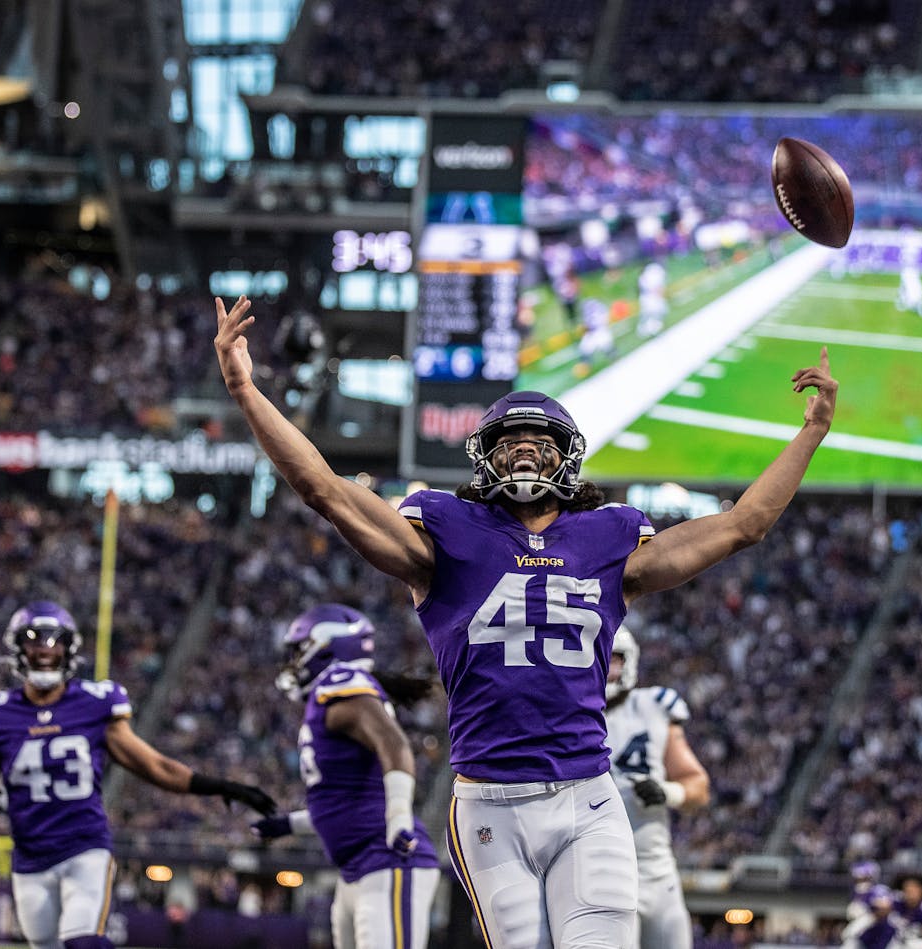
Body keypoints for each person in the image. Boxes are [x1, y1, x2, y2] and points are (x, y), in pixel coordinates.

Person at [213, 293, 838, 949]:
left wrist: (811, 431)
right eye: (510, 443)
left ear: (567, 459)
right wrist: (246, 390)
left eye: (541, 443)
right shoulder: (446, 532)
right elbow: (326, 490)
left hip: (588, 795)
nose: (525, 454)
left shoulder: (606, 537)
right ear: (484, 457)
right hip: (489, 803)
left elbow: (744, 524)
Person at [0, 600, 276, 949]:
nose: (44, 651)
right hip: (29, 856)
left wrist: (221, 785)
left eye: (54, 641)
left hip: (85, 847)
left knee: (83, 942)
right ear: (18, 649)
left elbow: (155, 766)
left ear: (69, 648)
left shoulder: (94, 703)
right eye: (34, 641)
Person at [249, 603, 441, 949]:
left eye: (299, 650)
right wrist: (291, 824)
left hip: (387, 858)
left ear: (327, 646)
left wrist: (399, 815)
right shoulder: (328, 698)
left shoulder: (340, 682)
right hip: (357, 868)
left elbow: (395, 744)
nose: (293, 661)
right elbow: (348, 803)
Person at [602, 625, 710, 949]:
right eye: (597, 657)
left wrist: (667, 792)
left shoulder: (652, 706)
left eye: (613, 659)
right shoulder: (563, 713)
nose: (606, 667)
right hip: (600, 868)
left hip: (656, 868)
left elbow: (698, 787)